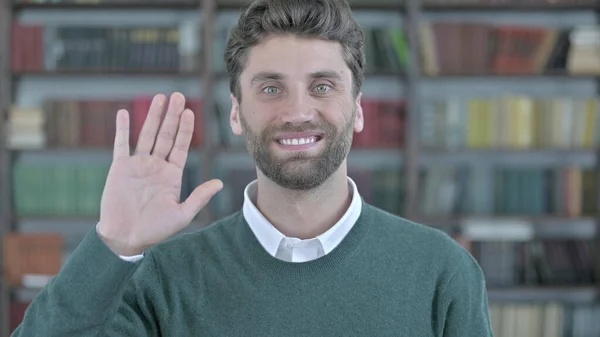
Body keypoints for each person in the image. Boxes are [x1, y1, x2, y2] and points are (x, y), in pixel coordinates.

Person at [11, 0, 494, 336]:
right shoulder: (163, 278)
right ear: (237, 113)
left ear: (359, 107)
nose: (297, 111)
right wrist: (112, 245)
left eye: (323, 86)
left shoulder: (442, 271)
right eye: (270, 88)